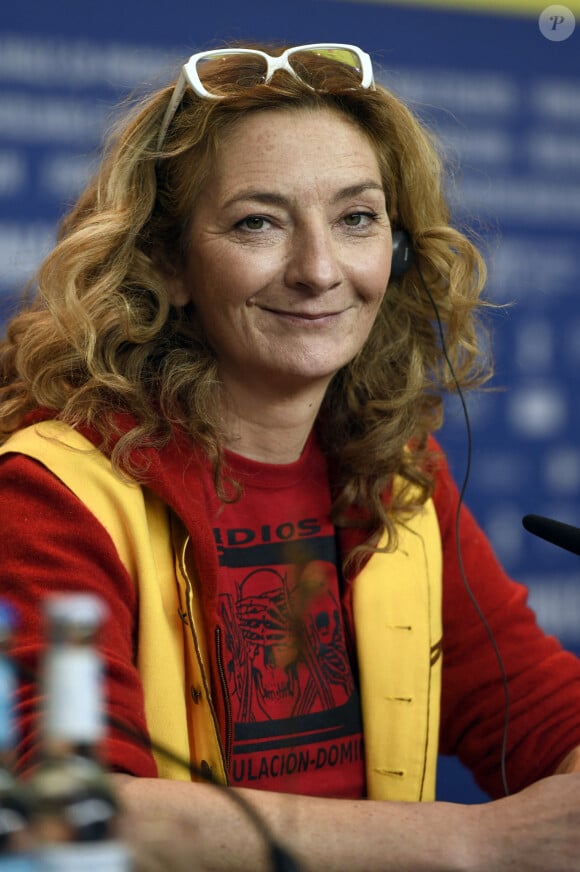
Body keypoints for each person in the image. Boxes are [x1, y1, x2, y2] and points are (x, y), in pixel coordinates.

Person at [0, 41, 580, 871]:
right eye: (257, 223)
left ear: (399, 248)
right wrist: (476, 841)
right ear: (167, 264)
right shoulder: (50, 491)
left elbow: (542, 712)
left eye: (356, 219)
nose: (318, 271)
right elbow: (64, 813)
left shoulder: (395, 474)